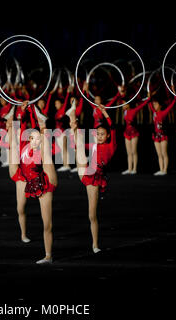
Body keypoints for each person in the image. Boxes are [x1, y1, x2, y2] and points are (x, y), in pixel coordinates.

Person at [7, 101, 57, 264]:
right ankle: (23, 233)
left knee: (47, 224)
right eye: (31, 138)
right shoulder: (22, 145)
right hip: (26, 179)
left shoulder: (41, 148)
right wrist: (22, 110)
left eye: (37, 138)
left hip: (45, 182)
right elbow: (21, 131)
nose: (34, 140)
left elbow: (41, 139)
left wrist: (35, 113)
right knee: (19, 208)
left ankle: (48, 255)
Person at [67, 102, 117, 253]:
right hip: (86, 173)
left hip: (96, 179)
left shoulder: (111, 146)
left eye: (102, 134)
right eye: (98, 134)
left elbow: (113, 127)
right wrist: (76, 133)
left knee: (92, 215)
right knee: (80, 144)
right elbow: (80, 145)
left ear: (107, 135)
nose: (99, 136)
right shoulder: (94, 145)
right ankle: (72, 121)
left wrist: (105, 112)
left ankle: (95, 244)